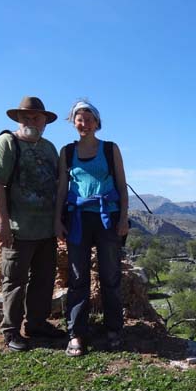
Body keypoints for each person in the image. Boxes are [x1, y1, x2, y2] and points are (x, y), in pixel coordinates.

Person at [0, 96, 64, 352]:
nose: (31, 121)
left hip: (45, 229)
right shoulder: (7, 143)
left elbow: (56, 186)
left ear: (45, 121)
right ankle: (11, 331)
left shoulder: (49, 148)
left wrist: (57, 222)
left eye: (36, 117)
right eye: (26, 117)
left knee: (43, 278)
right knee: (15, 281)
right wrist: (2, 223)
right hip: (18, 229)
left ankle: (37, 324)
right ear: (19, 119)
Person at [54, 100, 129, 356]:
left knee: (110, 276)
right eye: (79, 119)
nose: (83, 123)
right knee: (77, 278)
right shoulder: (66, 152)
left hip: (107, 216)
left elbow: (121, 184)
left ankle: (114, 330)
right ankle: (76, 334)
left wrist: (123, 218)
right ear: (73, 123)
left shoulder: (109, 149)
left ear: (97, 123)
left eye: (88, 119)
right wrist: (57, 220)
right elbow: (62, 188)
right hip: (77, 219)